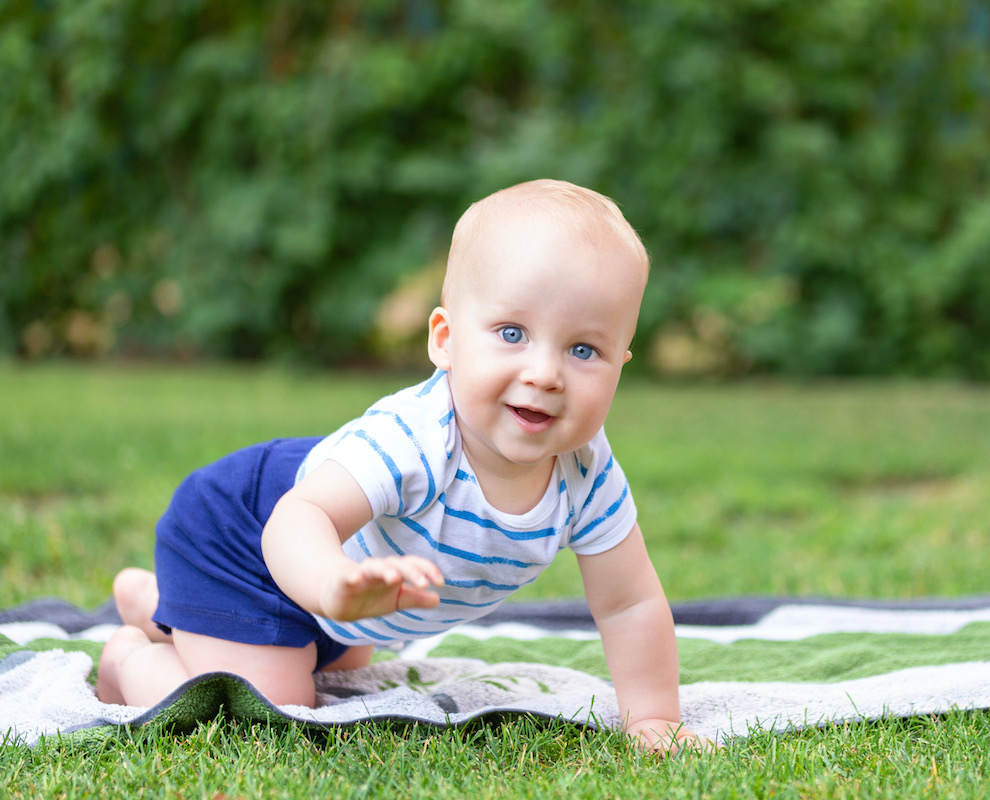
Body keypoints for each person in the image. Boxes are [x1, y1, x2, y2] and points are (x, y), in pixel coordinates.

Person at [96, 179, 701, 751]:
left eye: (583, 349)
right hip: (245, 537)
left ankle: (162, 605)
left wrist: (652, 718)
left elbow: (630, 605)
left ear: (622, 362)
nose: (545, 374)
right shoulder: (413, 439)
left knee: (346, 655)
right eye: (512, 332)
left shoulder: (588, 474)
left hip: (346, 593)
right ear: (445, 339)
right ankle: (135, 654)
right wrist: (329, 584)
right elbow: (298, 517)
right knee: (273, 705)